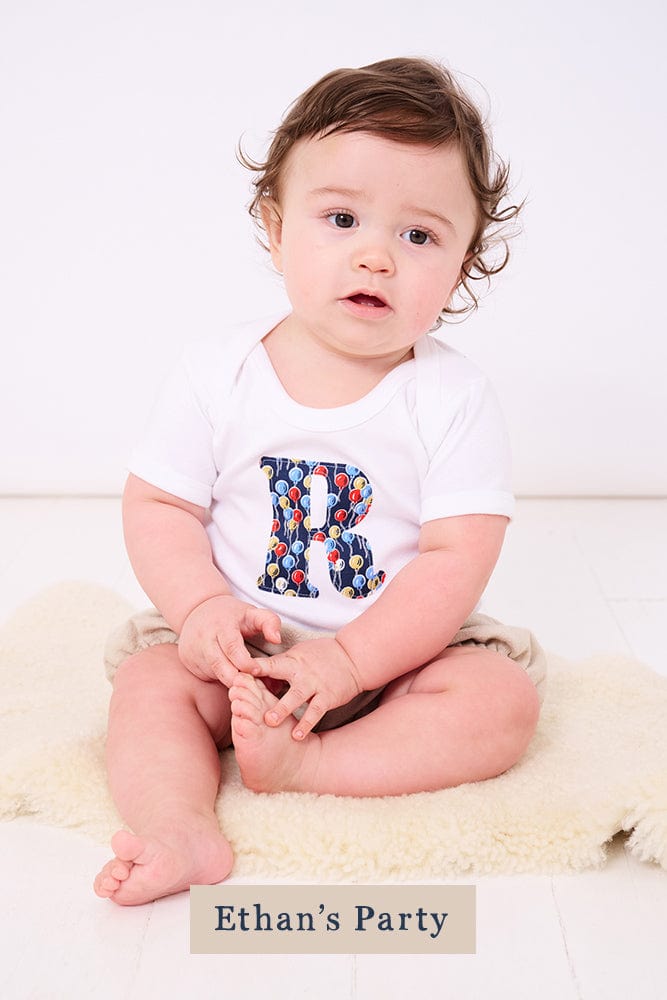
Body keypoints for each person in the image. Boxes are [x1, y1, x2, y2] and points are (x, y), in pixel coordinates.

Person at [94, 57, 546, 906]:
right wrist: (199, 612)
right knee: (149, 687)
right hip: (237, 648)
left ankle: (320, 761)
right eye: (341, 218)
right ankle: (180, 826)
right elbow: (160, 505)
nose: (375, 256)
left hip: (393, 657)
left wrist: (350, 661)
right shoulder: (217, 372)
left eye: (418, 236)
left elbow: (455, 558)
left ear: (462, 264)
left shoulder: (451, 395)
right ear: (274, 228)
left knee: (500, 700)